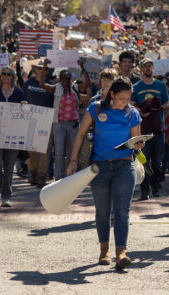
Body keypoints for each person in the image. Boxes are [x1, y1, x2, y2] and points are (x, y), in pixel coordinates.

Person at [66, 77, 144, 270]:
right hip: (99, 167)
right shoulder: (96, 108)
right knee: (102, 211)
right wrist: (73, 161)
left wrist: (139, 144)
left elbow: (135, 139)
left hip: (125, 166)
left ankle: (121, 252)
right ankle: (104, 250)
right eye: (121, 98)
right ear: (111, 95)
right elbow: (81, 134)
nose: (125, 102)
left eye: (128, 98)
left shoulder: (132, 113)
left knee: (122, 211)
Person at [38, 64, 91, 180]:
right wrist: (45, 67)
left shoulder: (75, 88)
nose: (65, 81)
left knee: (72, 152)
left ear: (71, 79)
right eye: (63, 78)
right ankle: (59, 178)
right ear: (59, 79)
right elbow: (41, 84)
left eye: (68, 78)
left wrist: (83, 68)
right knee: (59, 152)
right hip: (59, 124)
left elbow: (88, 84)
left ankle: (69, 177)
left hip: (73, 124)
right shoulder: (56, 87)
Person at [131, 58, 169, 200]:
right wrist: (140, 110)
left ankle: (155, 185)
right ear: (141, 69)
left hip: (158, 129)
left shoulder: (160, 85)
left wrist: (157, 107)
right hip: (142, 129)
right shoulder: (136, 86)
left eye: (150, 66)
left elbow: (167, 103)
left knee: (158, 161)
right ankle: (144, 190)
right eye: (145, 67)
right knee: (144, 160)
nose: (148, 69)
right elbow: (132, 104)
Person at [0, 65, 24, 207]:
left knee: (9, 167)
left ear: (13, 77)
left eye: (9, 74)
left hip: (13, 135)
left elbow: (25, 112)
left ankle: (5, 196)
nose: (6, 76)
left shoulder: (19, 93)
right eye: (3, 74)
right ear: (0, 76)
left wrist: (25, 106)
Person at [23, 61, 55, 188]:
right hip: (30, 121)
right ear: (35, 69)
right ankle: (33, 173)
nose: (41, 70)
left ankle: (42, 177)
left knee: (45, 151)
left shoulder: (52, 85)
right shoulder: (28, 84)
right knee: (32, 151)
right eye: (39, 68)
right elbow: (23, 98)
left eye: (44, 69)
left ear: (47, 71)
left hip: (46, 121)